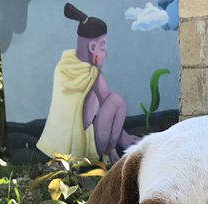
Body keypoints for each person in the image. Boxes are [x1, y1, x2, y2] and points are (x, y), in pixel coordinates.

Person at [36, 3, 139, 162]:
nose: (106, 53)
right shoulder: (92, 74)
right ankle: (111, 151)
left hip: (58, 148)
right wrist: (125, 139)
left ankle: (112, 150)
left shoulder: (63, 67)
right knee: (116, 100)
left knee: (109, 100)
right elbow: (109, 102)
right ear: (92, 47)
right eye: (103, 47)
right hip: (84, 146)